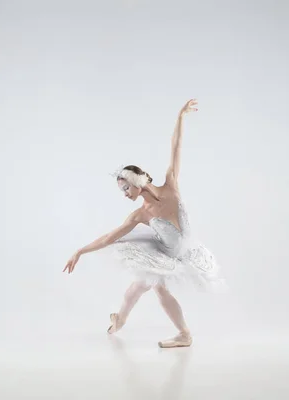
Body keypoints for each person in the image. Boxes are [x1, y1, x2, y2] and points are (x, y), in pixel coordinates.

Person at [64, 99, 225, 348]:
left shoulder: (171, 185)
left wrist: (181, 117)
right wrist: (80, 251)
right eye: (123, 190)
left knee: (139, 287)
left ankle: (120, 319)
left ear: (138, 182)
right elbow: (110, 237)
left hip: (186, 252)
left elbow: (176, 146)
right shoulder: (140, 215)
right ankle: (181, 334)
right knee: (153, 287)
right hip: (164, 254)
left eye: (126, 187)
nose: (125, 194)